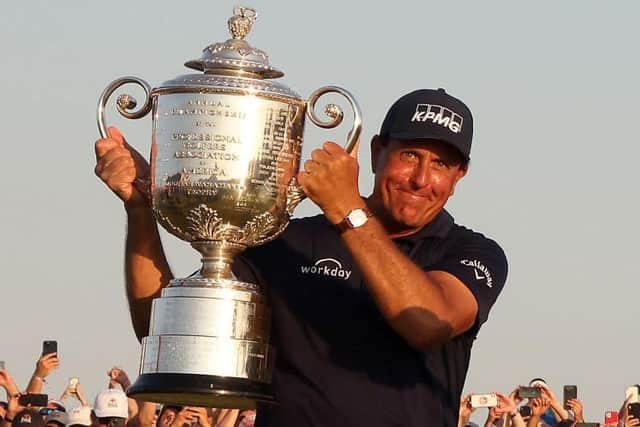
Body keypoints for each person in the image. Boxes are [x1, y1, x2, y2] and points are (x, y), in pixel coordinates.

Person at [94, 88, 508, 427]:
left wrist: (349, 211)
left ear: (460, 175)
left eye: (441, 163)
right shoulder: (286, 239)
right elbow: (164, 329)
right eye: (409, 155)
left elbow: (425, 321)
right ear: (377, 152)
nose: (421, 179)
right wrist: (140, 207)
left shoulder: (472, 253)